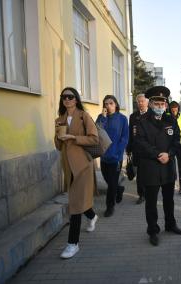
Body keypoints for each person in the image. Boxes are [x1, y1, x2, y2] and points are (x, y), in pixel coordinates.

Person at [133, 86, 181, 246]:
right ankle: (153, 230)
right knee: (151, 202)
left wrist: (168, 154)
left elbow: (177, 140)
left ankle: (170, 224)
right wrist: (157, 154)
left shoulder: (171, 120)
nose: (160, 106)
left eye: (163, 103)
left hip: (168, 166)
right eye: (157, 103)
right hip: (151, 167)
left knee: (169, 200)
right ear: (150, 104)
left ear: (166, 105)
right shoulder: (141, 122)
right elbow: (140, 143)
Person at [54, 87, 99, 259]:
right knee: (78, 200)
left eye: (70, 97)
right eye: (64, 97)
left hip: (82, 166)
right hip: (68, 166)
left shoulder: (83, 116)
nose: (67, 100)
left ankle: (72, 244)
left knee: (74, 204)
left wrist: (74, 138)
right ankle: (92, 215)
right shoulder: (59, 119)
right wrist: (58, 137)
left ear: (76, 99)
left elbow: (94, 138)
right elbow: (58, 147)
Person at [96, 95, 129, 217]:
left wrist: (118, 152)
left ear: (116, 104)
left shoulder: (122, 119)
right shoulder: (101, 117)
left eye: (110, 103)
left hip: (116, 157)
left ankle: (110, 207)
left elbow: (125, 138)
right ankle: (119, 189)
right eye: (106, 104)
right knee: (108, 180)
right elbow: (97, 132)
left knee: (111, 183)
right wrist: (103, 117)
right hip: (104, 156)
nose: (108, 106)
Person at [127, 94, 149, 204]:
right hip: (137, 150)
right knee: (140, 174)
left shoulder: (152, 115)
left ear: (147, 102)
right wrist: (129, 148)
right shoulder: (133, 116)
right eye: (138, 101)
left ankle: (150, 192)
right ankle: (141, 195)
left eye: (142, 101)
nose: (140, 103)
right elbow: (130, 133)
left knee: (149, 173)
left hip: (150, 151)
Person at [169, 101, 181, 195]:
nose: (174, 112)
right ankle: (170, 184)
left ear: (178, 109)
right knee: (171, 166)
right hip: (170, 145)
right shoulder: (167, 116)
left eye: (176, 110)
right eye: (172, 110)